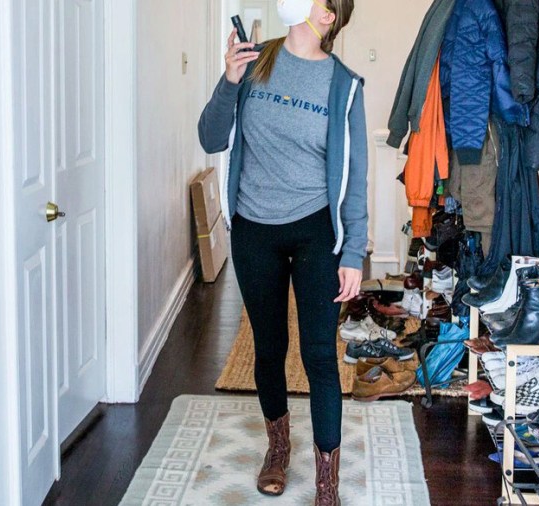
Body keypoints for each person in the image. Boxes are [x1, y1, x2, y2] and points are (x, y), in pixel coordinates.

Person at [197, 1, 365, 504]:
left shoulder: (344, 85)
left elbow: (355, 177)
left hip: (316, 230)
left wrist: (353, 250)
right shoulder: (257, 60)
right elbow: (210, 137)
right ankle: (277, 448)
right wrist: (228, 80)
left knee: (319, 355)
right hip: (254, 228)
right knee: (268, 348)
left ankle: (327, 480)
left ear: (330, 15)